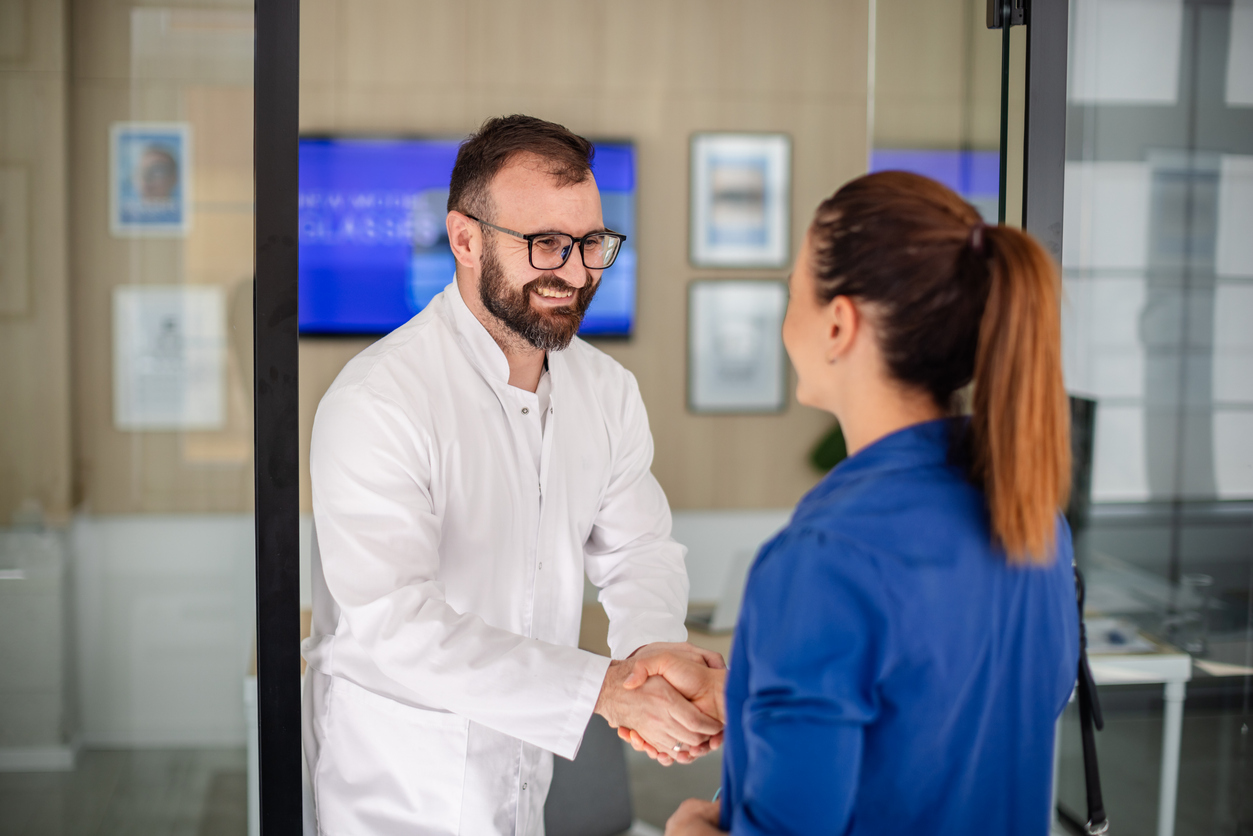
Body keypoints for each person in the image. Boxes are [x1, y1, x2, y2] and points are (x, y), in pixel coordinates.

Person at [302, 115, 725, 836]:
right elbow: (395, 627)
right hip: (394, 796)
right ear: (464, 240)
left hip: (526, 783)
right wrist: (609, 690)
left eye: (592, 243)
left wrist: (648, 651)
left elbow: (638, 550)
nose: (577, 270)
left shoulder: (606, 390)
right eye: (546, 244)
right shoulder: (378, 399)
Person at [664, 171, 1080, 835]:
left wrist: (688, 830)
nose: (785, 318)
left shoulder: (823, 559)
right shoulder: (1033, 521)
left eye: (791, 293)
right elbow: (942, 718)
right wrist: (757, 692)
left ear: (837, 323)